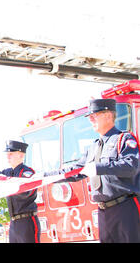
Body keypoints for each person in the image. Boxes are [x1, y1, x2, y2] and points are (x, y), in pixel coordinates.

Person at [42, 99, 140, 243]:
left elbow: (131, 166)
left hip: (124, 208)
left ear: (108, 115)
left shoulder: (124, 139)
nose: (90, 119)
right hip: (103, 212)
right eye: (90, 117)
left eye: (94, 115)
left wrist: (98, 167)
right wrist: (45, 177)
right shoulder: (93, 148)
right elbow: (75, 171)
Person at [0, 140, 40, 243]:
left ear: (21, 155)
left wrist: (9, 186)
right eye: (7, 154)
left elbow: (27, 192)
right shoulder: (8, 172)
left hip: (27, 221)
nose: (7, 157)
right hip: (13, 223)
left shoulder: (27, 173)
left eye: (11, 154)